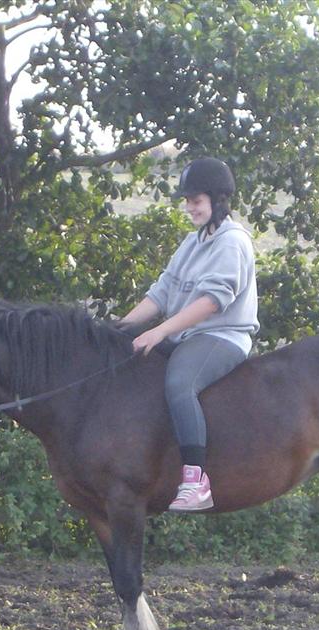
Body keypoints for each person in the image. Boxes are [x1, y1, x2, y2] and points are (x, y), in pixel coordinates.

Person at [120, 157, 259, 511]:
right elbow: (161, 292)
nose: (189, 207)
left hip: (222, 336)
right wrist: (121, 328)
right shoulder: (193, 241)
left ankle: (197, 480)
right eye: (187, 200)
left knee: (179, 384)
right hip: (188, 335)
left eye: (195, 201)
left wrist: (158, 333)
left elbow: (212, 302)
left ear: (218, 200)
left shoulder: (232, 242)